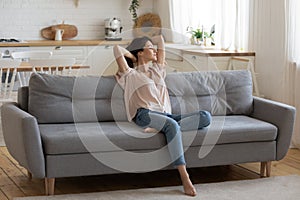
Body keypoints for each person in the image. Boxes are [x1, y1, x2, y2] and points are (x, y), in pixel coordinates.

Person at [113, 35, 211, 196]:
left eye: (154, 48)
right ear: (140, 52)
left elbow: (160, 39)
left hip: (165, 115)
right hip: (144, 115)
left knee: (205, 116)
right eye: (150, 48)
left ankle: (161, 129)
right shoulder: (129, 74)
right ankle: (185, 178)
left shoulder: (158, 69)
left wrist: (149, 47)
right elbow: (117, 50)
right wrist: (133, 55)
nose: (155, 50)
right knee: (171, 126)